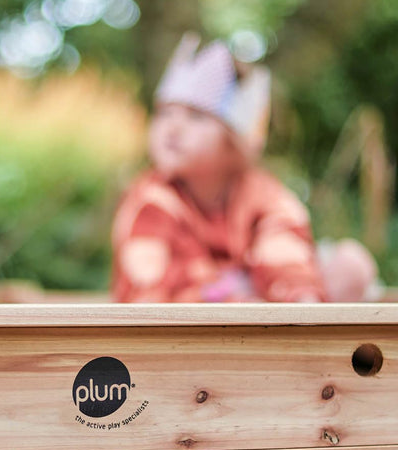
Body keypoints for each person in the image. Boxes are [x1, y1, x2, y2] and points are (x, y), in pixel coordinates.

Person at [111, 34, 379, 303]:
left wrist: (300, 293)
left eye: (196, 116)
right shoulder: (151, 200)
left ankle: (293, 332)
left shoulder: (263, 194)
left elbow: (283, 244)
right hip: (189, 316)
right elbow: (147, 281)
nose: (172, 126)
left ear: (235, 142)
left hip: (259, 305)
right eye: (164, 112)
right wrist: (232, 297)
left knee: (351, 265)